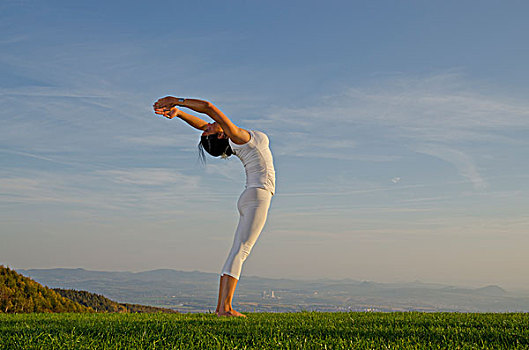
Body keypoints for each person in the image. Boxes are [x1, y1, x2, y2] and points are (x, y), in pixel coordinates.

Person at [153, 97, 275, 317]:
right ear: (220, 134)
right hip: (258, 196)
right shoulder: (238, 137)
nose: (207, 125)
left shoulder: (232, 140)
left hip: (250, 196)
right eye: (210, 128)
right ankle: (225, 308)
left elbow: (203, 124)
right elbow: (209, 109)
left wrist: (179, 114)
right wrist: (176, 101)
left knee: (238, 250)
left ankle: (222, 308)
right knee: (241, 251)